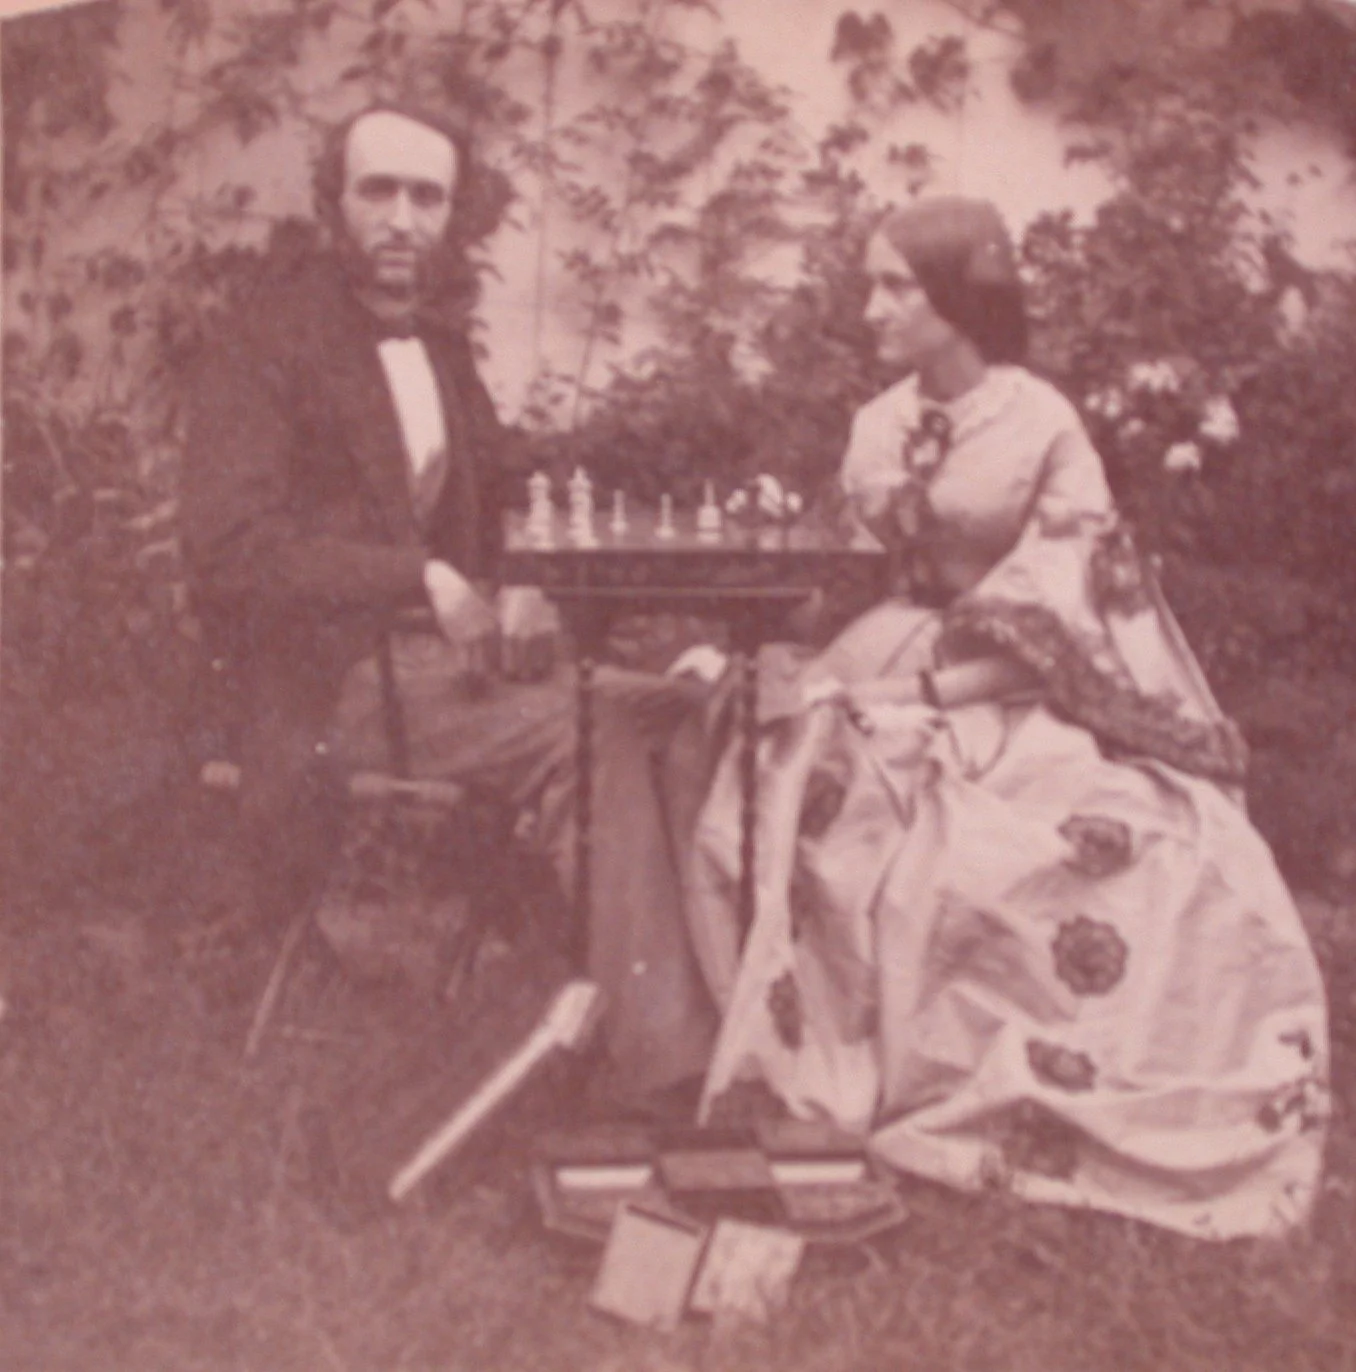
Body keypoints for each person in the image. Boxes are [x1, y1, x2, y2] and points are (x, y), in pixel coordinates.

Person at [682, 197, 1330, 1238]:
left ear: (958, 299)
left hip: (1014, 683)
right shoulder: (874, 424)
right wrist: (760, 643)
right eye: (873, 282)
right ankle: (825, 1068)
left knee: (1115, 842)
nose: (872, 307)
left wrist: (934, 693)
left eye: (896, 285)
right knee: (808, 777)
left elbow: (1073, 603)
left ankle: (1034, 1077)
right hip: (884, 649)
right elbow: (839, 577)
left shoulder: (1042, 423)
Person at [180, 102, 717, 1102]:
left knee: (682, 714)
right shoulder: (261, 346)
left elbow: (505, 496)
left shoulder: (438, 345)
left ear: (452, 215)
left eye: (426, 196)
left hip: (442, 676)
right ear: (331, 201)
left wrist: (521, 585)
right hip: (322, 691)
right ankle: (659, 1076)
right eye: (377, 189)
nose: (401, 218)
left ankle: (681, 1020)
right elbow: (228, 555)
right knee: (597, 733)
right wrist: (415, 576)